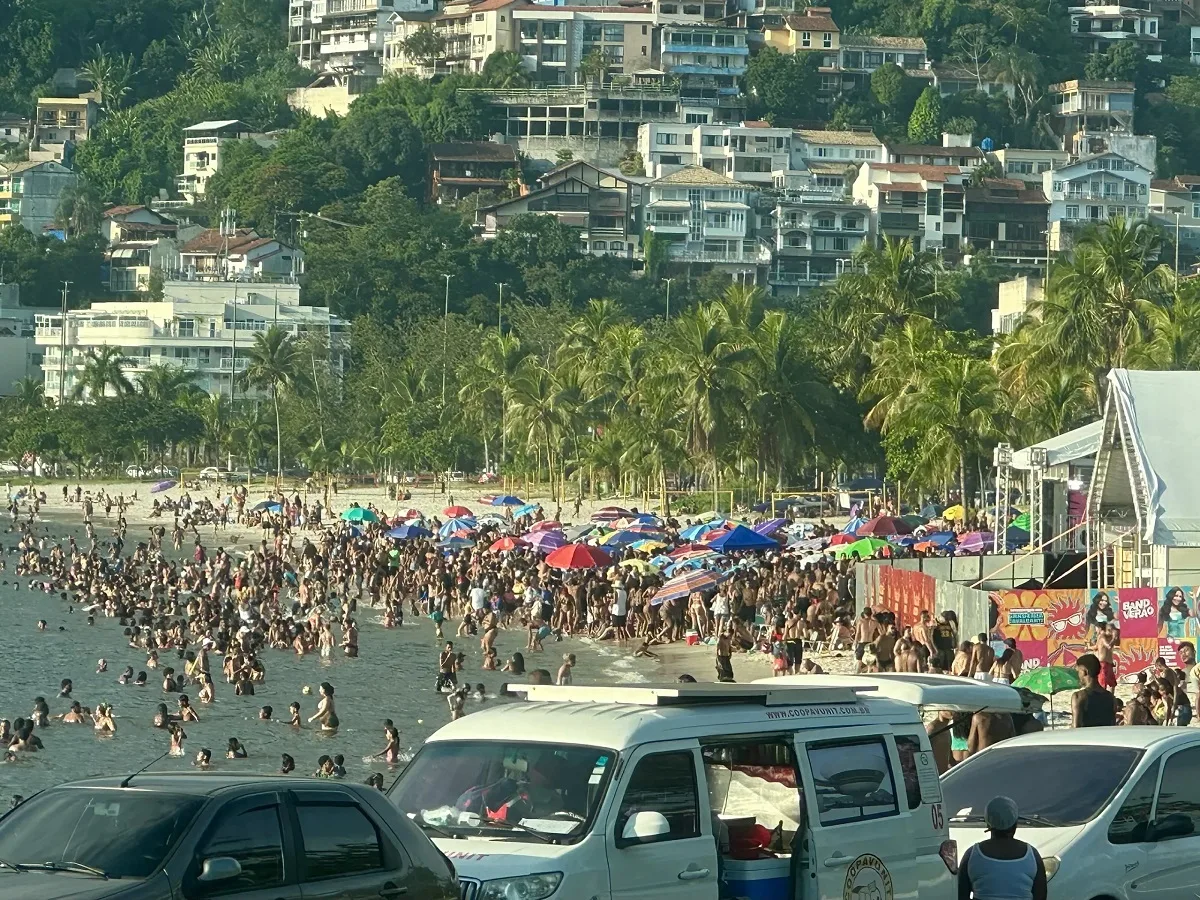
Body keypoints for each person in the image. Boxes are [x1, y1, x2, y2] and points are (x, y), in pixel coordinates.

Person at [958, 796, 1048, 900]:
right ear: (1015, 823)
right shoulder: (1032, 855)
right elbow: (1041, 896)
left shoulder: (972, 855)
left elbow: (961, 895)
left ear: (988, 822)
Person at [1072, 653, 1117, 727]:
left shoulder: (1079, 697)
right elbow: (1113, 725)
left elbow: (1076, 727)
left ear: (1084, 671)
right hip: (1106, 737)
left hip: (1086, 737)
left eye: (1078, 671)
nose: (1078, 675)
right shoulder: (1111, 698)